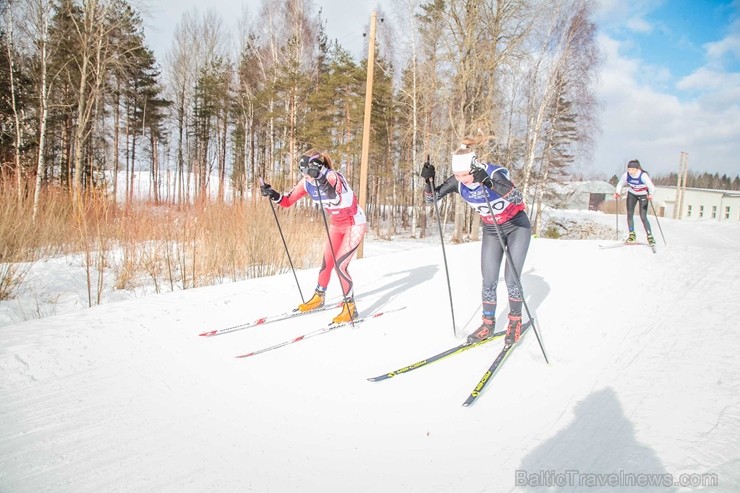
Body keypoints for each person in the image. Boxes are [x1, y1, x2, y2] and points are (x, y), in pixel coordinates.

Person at [421, 134, 531, 346]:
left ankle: (515, 321)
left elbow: (517, 198)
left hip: (517, 227)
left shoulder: (493, 172)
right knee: (488, 279)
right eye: (458, 175)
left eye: (465, 175)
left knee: (511, 279)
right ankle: (487, 324)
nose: (462, 179)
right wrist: (428, 181)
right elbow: (430, 199)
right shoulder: (458, 181)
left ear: (474, 166)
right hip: (491, 230)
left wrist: (488, 182)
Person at [260, 149, 367, 324]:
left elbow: (342, 199)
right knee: (327, 261)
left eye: (307, 172)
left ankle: (350, 307)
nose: (305, 176)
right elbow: (287, 201)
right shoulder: (307, 182)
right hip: (337, 225)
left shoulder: (333, 177)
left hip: (354, 223)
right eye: (302, 172)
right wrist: (272, 194)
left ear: (317, 167)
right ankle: (319, 296)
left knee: (341, 265)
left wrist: (321, 178)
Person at [613, 159, 656, 246]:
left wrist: (651, 194)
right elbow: (620, 184)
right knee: (629, 214)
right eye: (629, 169)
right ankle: (632, 235)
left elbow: (652, 187)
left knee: (643, 216)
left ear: (637, 169)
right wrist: (618, 192)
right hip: (632, 194)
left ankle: (650, 236)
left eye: (632, 169)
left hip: (643, 195)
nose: (630, 171)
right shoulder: (626, 175)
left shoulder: (643, 175)